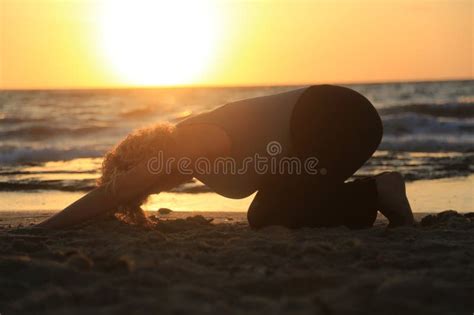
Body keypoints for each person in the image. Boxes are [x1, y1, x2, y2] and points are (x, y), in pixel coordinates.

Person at [37, 85, 415, 229]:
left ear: (139, 159)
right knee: (270, 211)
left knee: (268, 214)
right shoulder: (193, 156)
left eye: (138, 177)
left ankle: (379, 191)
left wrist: (44, 229)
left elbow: (114, 193)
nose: (145, 187)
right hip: (337, 126)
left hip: (337, 116)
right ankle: (377, 193)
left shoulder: (183, 140)